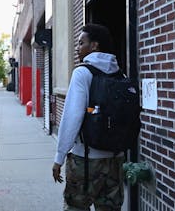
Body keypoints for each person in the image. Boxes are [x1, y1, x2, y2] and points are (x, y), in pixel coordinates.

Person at [52, 24, 125, 211]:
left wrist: (59, 157)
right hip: (115, 160)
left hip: (85, 160)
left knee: (76, 207)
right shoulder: (120, 74)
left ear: (94, 46)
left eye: (81, 43)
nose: (78, 48)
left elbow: (71, 117)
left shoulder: (82, 73)